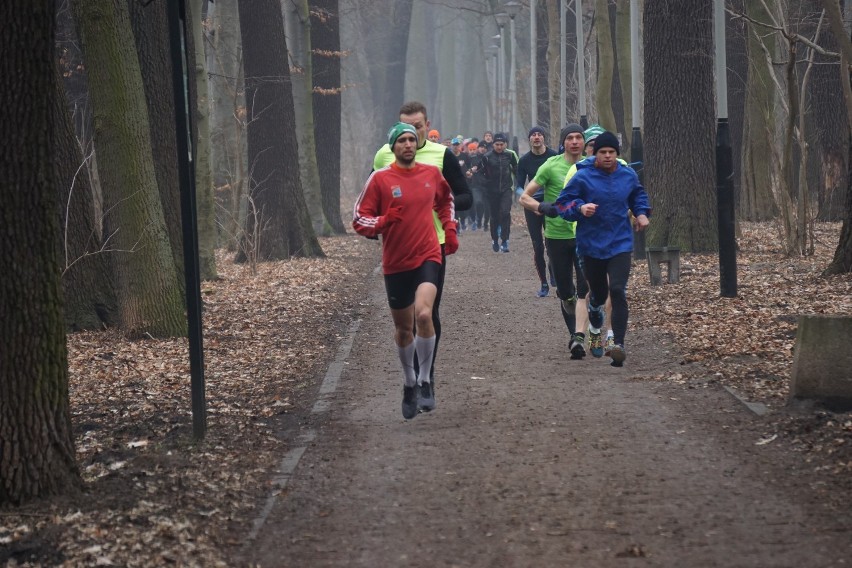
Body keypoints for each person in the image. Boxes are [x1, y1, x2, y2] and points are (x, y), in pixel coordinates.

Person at [355, 123, 456, 418]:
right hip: (396, 261)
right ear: (392, 147)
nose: (408, 144)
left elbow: (445, 201)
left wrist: (449, 230)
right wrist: (384, 221)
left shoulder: (431, 174)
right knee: (403, 329)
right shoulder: (380, 180)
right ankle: (409, 383)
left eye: (412, 139)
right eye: (402, 140)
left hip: (428, 254)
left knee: (424, 314)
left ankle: (425, 381)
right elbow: (360, 218)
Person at [373, 101, 472, 395]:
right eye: (405, 127)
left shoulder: (442, 155)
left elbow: (465, 196)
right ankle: (412, 377)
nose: (411, 134)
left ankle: (425, 373)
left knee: (427, 312)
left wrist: (443, 205)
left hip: (434, 243)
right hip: (398, 247)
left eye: (417, 126)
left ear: (427, 125)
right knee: (407, 321)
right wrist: (377, 224)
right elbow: (373, 196)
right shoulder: (383, 155)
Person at [540, 131, 651, 367]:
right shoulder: (583, 177)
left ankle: (618, 344)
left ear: (617, 154)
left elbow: (638, 196)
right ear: (595, 154)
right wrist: (580, 208)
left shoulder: (627, 175)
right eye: (603, 152)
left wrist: (641, 214)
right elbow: (563, 203)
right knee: (599, 294)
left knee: (618, 289)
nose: (608, 156)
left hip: (620, 242)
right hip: (591, 245)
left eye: (612, 152)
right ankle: (593, 309)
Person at [519, 124, 590, 359]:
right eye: (570, 138)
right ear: (563, 142)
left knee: (584, 288)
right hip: (557, 236)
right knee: (565, 291)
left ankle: (576, 337)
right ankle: (574, 331)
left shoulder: (593, 165)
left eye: (579, 137)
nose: (575, 142)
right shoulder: (551, 165)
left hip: (585, 236)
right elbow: (524, 197)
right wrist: (542, 207)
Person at [516, 126, 557, 297]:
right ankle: (544, 283)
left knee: (552, 244)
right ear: (530, 140)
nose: (537, 137)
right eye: (533, 135)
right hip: (532, 206)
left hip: (551, 203)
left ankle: (554, 272)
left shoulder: (554, 156)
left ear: (544, 138)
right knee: (538, 246)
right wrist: (526, 199)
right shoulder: (524, 160)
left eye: (540, 134)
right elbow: (518, 186)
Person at [481, 132, 518, 252]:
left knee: (505, 213)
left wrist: (519, 185)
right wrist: (485, 185)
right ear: (493, 144)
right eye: (497, 144)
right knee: (495, 216)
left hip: (506, 189)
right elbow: (482, 173)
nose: (499, 147)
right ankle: (495, 239)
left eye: (502, 144)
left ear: (505, 144)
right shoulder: (487, 157)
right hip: (492, 191)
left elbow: (517, 170)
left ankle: (505, 240)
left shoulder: (510, 155)